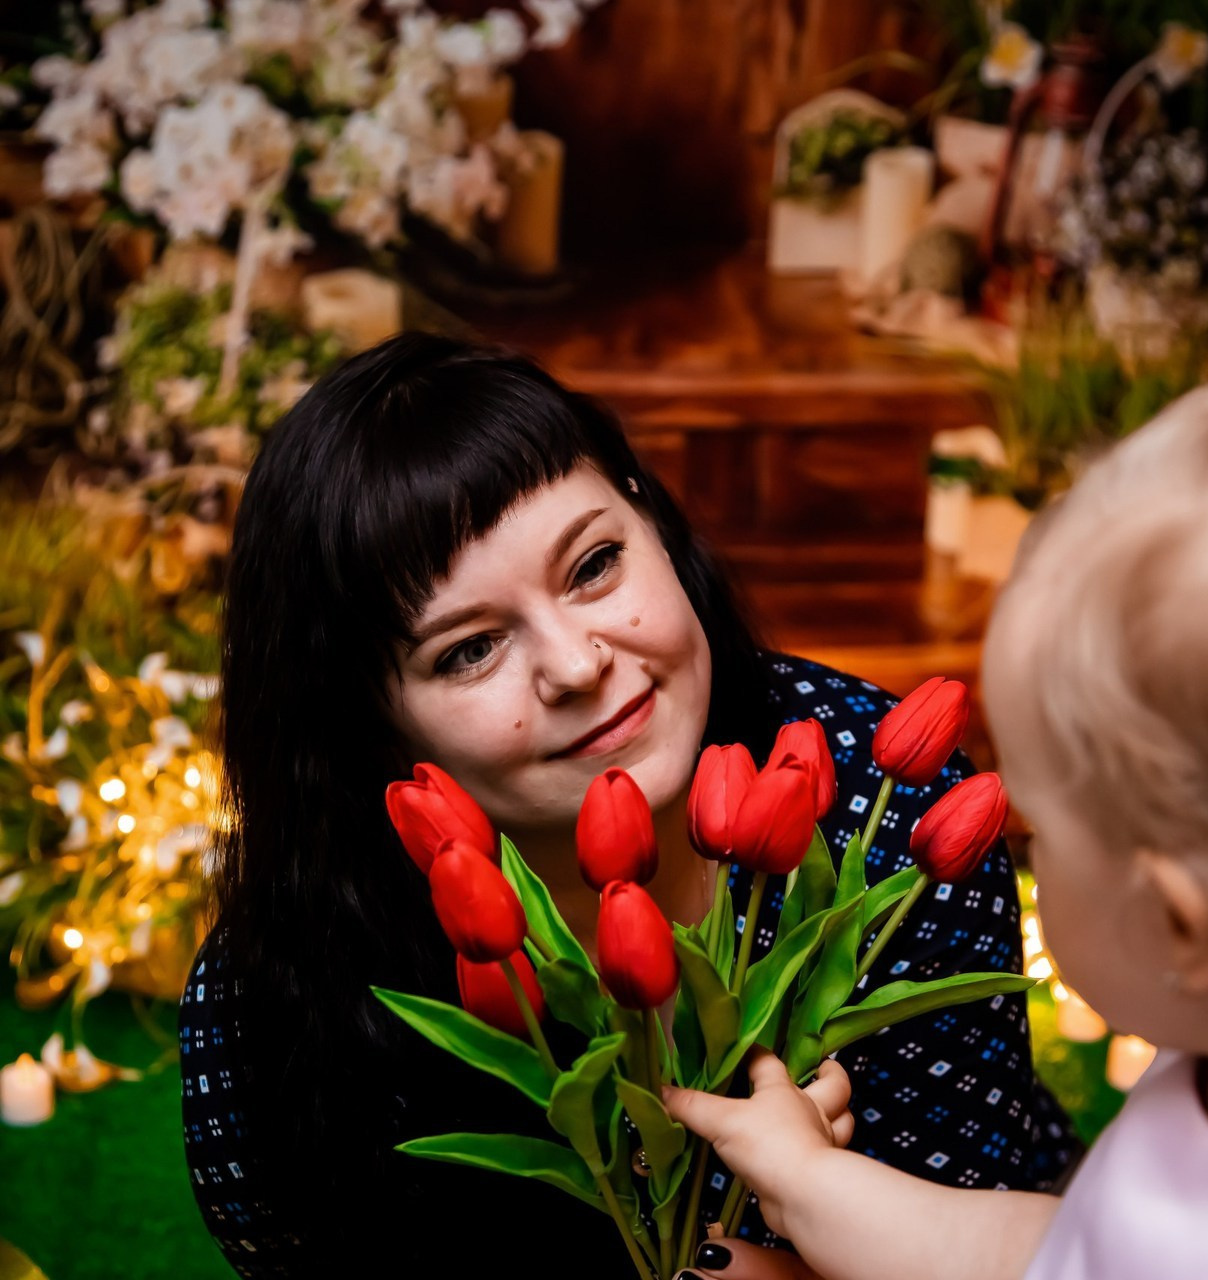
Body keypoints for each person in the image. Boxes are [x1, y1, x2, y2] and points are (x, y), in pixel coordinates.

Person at [178, 332, 1078, 1277]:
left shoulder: (887, 810)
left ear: (651, 519)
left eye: (594, 563)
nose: (577, 665)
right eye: (469, 649)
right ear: (369, 728)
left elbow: (977, 1219)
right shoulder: (265, 1017)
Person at [664, 382, 1208, 1280]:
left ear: (1182, 925)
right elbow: (1047, 1247)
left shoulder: (1191, 1251)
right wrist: (806, 1179)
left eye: (1048, 833)